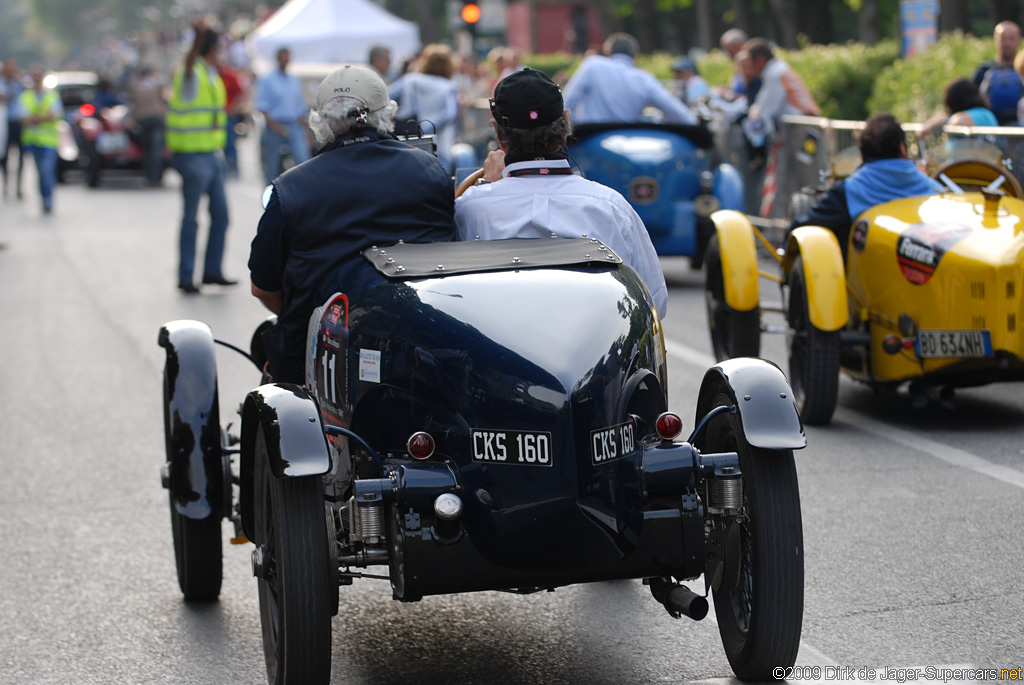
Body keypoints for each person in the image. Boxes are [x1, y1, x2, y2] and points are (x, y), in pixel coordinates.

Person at [249, 65, 455, 383]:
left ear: (322, 122)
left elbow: (262, 286)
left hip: (316, 355)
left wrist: (315, 320)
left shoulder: (290, 187)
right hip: (424, 345)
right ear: (385, 114)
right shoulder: (431, 170)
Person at [455, 68, 668, 317]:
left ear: (500, 139)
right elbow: (655, 303)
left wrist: (485, 188)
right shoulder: (612, 207)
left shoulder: (469, 207)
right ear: (566, 125)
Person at [790, 113, 943, 258]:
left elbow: (803, 231)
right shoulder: (938, 192)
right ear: (903, 148)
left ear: (862, 153)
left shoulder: (848, 191)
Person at [166, 20, 234, 294]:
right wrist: (197, 37)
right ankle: (186, 276)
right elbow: (188, 64)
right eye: (218, 47)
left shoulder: (210, 74)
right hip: (192, 155)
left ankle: (212, 272)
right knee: (191, 219)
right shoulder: (189, 73)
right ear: (211, 48)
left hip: (212, 153)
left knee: (221, 216)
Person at [563, 33, 696, 126]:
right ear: (634, 56)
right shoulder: (643, 79)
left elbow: (569, 101)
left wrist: (571, 133)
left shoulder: (592, 65)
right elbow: (677, 112)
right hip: (628, 141)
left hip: (590, 139)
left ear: (608, 53)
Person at [388, 43, 459, 172]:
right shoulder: (448, 86)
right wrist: (428, 129)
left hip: (408, 141)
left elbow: (386, 96)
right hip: (439, 145)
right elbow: (450, 114)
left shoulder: (410, 80)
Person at [256, 47, 311, 184]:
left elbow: (299, 107)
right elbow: (263, 105)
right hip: (275, 125)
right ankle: (271, 195)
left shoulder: (293, 80)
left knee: (303, 160)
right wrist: (274, 126)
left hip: (293, 125)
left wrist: (306, 131)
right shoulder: (268, 79)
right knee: (272, 166)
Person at [15, 66, 63, 214]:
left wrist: (34, 119)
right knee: (40, 173)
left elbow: (55, 115)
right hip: (33, 141)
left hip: (49, 142)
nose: (36, 79)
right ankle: (44, 198)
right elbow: (22, 117)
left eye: (38, 76)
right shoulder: (26, 96)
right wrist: (42, 118)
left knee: (46, 171)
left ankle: (48, 199)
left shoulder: (52, 96)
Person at [972, 20, 1023, 125]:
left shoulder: (1022, 70)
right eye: (1003, 38)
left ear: (1019, 40)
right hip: (990, 128)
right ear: (995, 40)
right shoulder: (984, 70)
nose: (1007, 43)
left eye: (1011, 38)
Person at [128, 66, 167, 186]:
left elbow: (134, 104)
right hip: (157, 118)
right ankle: (156, 177)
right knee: (156, 150)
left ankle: (149, 176)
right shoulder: (156, 84)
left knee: (147, 149)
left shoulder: (135, 86)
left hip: (143, 119)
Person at [1, 58, 24, 199]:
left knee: (21, 156)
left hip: (18, 122)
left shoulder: (18, 84)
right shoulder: (2, 83)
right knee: (4, 156)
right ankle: (5, 185)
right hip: (3, 123)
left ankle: (18, 187)